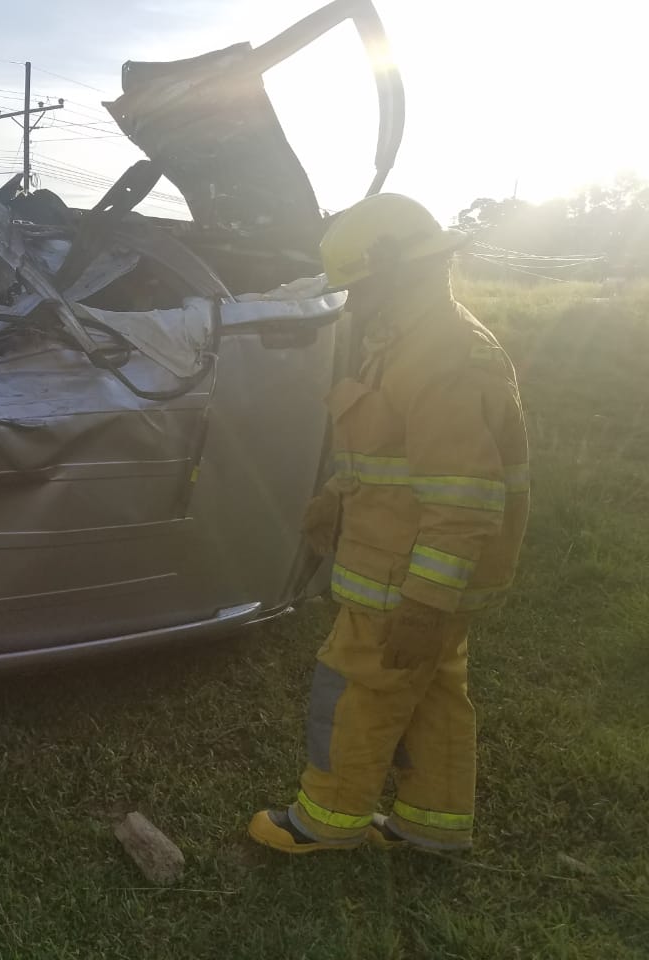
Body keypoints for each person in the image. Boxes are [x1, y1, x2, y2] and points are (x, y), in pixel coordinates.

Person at [247, 193, 529, 855]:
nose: (353, 304)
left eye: (361, 288)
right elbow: (387, 455)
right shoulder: (409, 342)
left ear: (400, 273)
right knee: (432, 693)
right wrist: (333, 501)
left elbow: (464, 498)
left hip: (405, 582)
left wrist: (425, 603)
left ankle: (323, 822)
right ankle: (431, 825)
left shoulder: (444, 357)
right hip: (411, 572)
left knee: (356, 691)